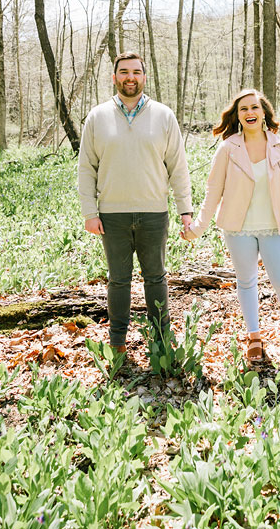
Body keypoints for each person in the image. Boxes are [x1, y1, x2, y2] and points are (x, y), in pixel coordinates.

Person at [78, 52, 193, 354]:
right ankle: (117, 343)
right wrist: (90, 213)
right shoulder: (97, 117)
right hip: (111, 215)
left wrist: (186, 212)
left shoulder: (164, 116)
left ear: (144, 76)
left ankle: (160, 340)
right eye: (124, 72)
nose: (131, 77)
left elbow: (177, 168)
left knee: (156, 277)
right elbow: (86, 168)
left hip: (154, 213)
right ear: (114, 77)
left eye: (136, 72)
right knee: (118, 281)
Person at [182, 89, 280, 362]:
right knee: (246, 282)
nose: (249, 113)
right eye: (243, 109)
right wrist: (197, 228)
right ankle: (254, 337)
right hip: (237, 230)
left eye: (254, 108)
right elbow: (213, 192)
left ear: (264, 113)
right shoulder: (228, 149)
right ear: (237, 116)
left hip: (275, 229)